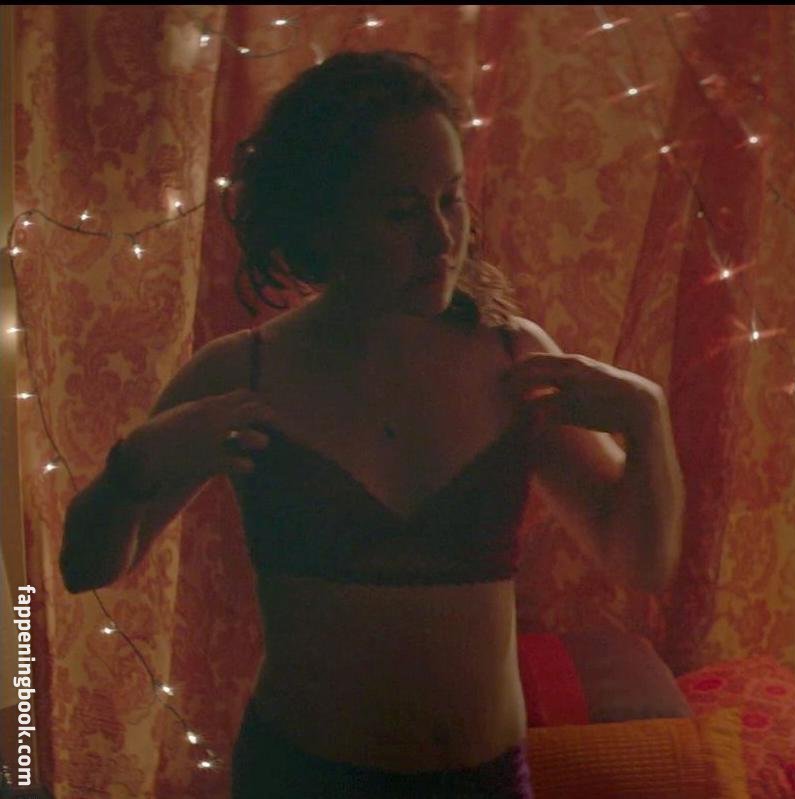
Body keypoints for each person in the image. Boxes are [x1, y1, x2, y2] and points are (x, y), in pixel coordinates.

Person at [56, 51, 686, 798]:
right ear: (323, 222)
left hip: (482, 782)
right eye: (401, 211)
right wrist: (133, 467)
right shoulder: (245, 374)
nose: (441, 238)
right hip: (303, 779)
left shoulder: (512, 361)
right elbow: (84, 566)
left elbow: (641, 561)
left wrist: (648, 421)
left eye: (451, 200)